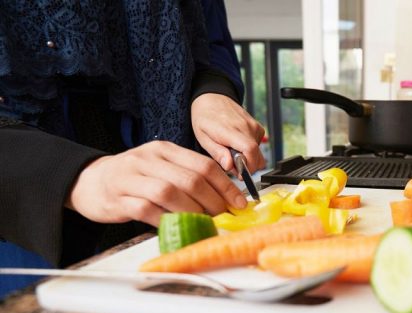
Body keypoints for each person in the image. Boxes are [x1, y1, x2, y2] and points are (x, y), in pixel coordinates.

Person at [0, 0, 266, 295]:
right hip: (26, 202)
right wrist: (73, 174)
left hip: (167, 171)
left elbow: (210, 43)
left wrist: (213, 93)